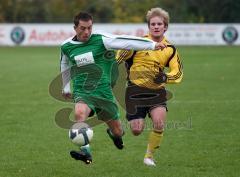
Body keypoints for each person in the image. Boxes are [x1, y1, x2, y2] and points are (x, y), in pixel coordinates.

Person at [60, 11, 166, 164]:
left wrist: (152, 44)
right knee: (79, 113)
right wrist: (66, 87)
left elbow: (126, 41)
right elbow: (64, 63)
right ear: (75, 28)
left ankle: (114, 134)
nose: (87, 32)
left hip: (104, 92)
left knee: (118, 131)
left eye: (89, 28)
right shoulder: (66, 46)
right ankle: (86, 153)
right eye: (83, 28)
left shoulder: (101, 40)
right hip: (83, 90)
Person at [116, 7, 183, 166]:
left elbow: (178, 73)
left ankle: (149, 157)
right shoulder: (139, 43)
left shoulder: (170, 49)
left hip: (157, 92)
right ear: (149, 26)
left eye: (159, 24)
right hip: (135, 91)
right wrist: (126, 48)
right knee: (136, 130)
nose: (156, 26)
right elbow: (118, 58)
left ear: (165, 26)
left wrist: (166, 77)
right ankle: (115, 129)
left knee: (159, 122)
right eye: (153, 24)